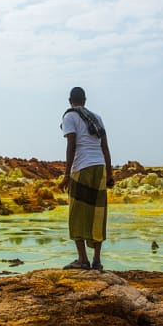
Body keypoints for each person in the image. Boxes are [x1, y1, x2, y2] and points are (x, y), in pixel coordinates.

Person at [59, 86, 114, 270]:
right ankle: (97, 260)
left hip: (81, 168)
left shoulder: (70, 116)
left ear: (70, 101)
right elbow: (105, 147)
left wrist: (66, 174)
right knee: (97, 214)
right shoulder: (96, 118)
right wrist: (110, 172)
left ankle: (83, 260)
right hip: (99, 168)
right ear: (85, 100)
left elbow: (72, 145)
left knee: (77, 214)